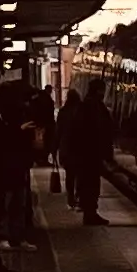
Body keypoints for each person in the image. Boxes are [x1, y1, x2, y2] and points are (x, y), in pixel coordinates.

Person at [55, 78, 111, 224]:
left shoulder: (86, 106)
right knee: (90, 184)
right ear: (99, 90)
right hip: (89, 155)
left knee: (86, 183)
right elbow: (98, 131)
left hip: (84, 154)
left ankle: (89, 211)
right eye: (102, 90)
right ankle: (90, 214)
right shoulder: (92, 107)